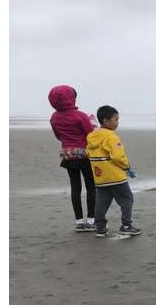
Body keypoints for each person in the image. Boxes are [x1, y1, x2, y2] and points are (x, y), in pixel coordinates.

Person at [87, 105, 142, 238]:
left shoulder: (91, 136)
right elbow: (117, 156)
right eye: (116, 119)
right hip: (115, 176)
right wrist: (126, 167)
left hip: (100, 176)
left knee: (101, 203)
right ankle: (126, 226)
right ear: (106, 121)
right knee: (127, 200)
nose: (118, 122)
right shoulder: (111, 137)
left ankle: (100, 228)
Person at [48, 85, 97, 232]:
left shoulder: (54, 117)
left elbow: (58, 136)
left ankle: (79, 221)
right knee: (90, 187)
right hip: (84, 154)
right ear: (72, 98)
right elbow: (90, 134)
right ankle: (91, 221)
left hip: (68, 154)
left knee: (75, 188)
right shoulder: (80, 116)